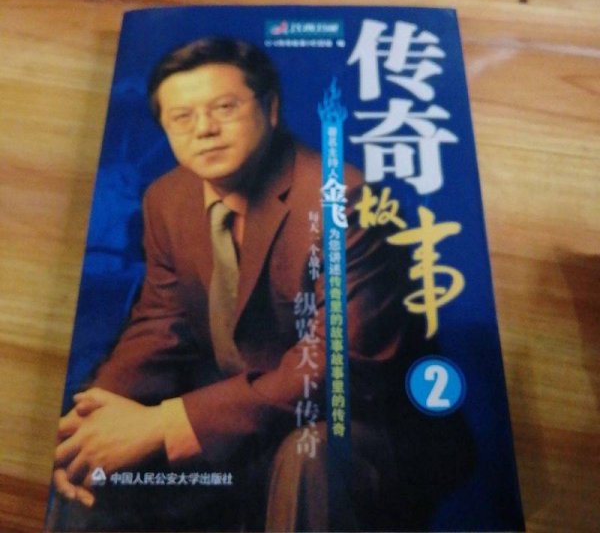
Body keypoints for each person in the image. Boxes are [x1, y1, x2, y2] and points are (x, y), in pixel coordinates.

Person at [51, 37, 415, 532]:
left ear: (271, 109)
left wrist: (164, 424)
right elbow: (161, 323)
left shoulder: (342, 196)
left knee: (309, 453)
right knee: (84, 459)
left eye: (224, 107)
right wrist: (87, 425)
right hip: (226, 417)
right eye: (181, 117)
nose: (204, 129)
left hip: (345, 426)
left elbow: (337, 364)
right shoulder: (167, 199)